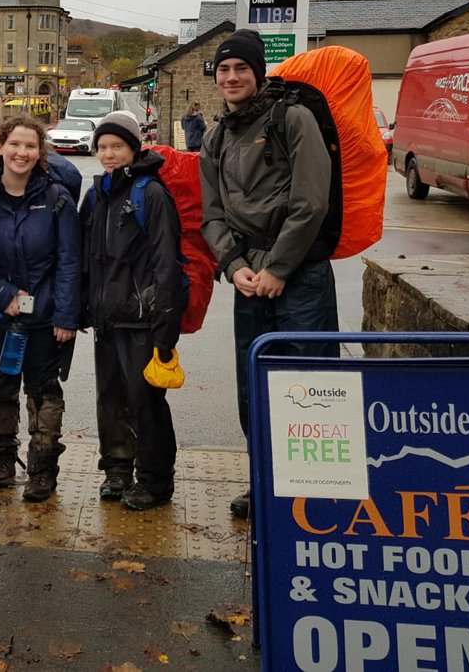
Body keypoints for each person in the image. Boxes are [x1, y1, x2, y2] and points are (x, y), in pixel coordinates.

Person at [199, 29, 339, 520]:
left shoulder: (293, 119)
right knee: (254, 383)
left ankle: (317, 490)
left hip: (300, 275)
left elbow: (310, 202)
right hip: (249, 280)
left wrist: (278, 267)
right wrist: (235, 267)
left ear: (258, 73)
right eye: (224, 70)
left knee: (309, 383)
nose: (232, 77)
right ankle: (265, 482)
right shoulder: (216, 136)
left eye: (241, 68)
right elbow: (212, 215)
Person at [80, 111, 184, 511]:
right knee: (111, 397)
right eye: (102, 147)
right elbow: (86, 257)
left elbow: (166, 262)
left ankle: (156, 480)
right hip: (107, 318)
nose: (108, 154)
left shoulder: (150, 193)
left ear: (133, 149)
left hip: (142, 319)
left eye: (116, 147)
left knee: (146, 401)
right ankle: (118, 470)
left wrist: (165, 326)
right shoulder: (97, 194)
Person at [0, 116, 80, 502]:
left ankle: (42, 469)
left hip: (47, 316)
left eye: (30, 146)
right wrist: (3, 295)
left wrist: (66, 315)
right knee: (1, 383)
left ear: (40, 153)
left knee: (44, 391)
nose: (22, 153)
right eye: (15, 144)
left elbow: (69, 261)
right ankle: (0, 460)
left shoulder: (57, 199)